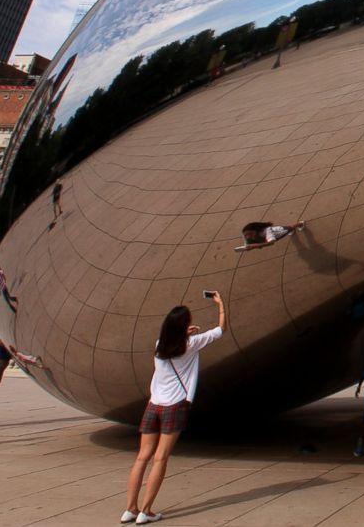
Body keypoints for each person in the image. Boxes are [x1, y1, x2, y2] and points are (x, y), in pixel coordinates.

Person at [122, 290, 225, 524]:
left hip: (153, 405)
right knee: (161, 458)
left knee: (142, 457)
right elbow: (221, 330)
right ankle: (146, 511)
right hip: (174, 406)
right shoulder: (192, 344)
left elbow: (173, 344)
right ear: (185, 326)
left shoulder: (159, 345)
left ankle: (130, 509)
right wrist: (220, 305)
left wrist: (183, 333)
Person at [236, 219, 305, 251]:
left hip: (280, 232)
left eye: (250, 234)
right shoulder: (249, 236)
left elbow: (271, 243)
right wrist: (250, 247)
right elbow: (250, 244)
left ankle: (301, 223)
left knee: (290, 227)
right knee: (289, 229)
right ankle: (292, 230)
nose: (248, 237)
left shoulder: (267, 231)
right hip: (276, 232)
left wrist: (254, 246)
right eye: (245, 235)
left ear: (256, 230)